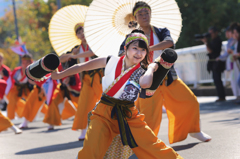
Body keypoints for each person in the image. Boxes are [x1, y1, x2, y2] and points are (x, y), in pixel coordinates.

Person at [51, 30, 182, 159]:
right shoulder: (110, 61)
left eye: (143, 50)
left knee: (151, 145)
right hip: (103, 112)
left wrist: (151, 68)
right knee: (92, 149)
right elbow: (82, 67)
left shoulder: (142, 70)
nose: (139, 53)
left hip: (129, 114)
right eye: (135, 48)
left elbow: (146, 84)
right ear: (125, 48)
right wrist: (59, 75)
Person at [118, 1, 211, 146]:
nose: (144, 16)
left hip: (166, 74)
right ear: (135, 18)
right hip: (146, 79)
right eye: (140, 14)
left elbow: (169, 43)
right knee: (149, 115)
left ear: (150, 14)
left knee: (190, 101)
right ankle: (145, 143)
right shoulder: (131, 37)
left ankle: (194, 129)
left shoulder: (161, 31)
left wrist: (148, 47)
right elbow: (121, 53)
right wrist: (135, 50)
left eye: (146, 13)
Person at [65, 23, 103, 140]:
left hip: (99, 76)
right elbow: (65, 60)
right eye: (79, 32)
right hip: (86, 78)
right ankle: (83, 130)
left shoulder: (95, 43)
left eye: (83, 31)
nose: (82, 34)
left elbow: (91, 53)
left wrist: (75, 56)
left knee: (105, 102)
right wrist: (70, 55)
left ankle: (111, 128)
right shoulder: (77, 49)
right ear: (77, 35)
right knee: (84, 104)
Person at [43, 63, 81, 130]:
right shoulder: (58, 63)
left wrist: (69, 78)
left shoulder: (72, 58)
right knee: (54, 100)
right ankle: (52, 122)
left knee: (81, 104)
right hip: (62, 87)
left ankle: (82, 122)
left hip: (73, 86)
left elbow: (77, 70)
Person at [202, 26, 226, 102]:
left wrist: (206, 42)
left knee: (217, 79)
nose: (210, 34)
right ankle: (221, 96)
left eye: (211, 33)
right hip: (213, 62)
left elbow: (211, 51)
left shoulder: (217, 40)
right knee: (216, 80)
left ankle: (221, 96)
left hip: (217, 63)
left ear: (216, 32)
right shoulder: (212, 40)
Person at [6, 54, 33, 120]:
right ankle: (10, 120)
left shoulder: (32, 71)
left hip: (26, 88)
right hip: (16, 88)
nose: (25, 64)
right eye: (24, 62)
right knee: (11, 103)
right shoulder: (17, 70)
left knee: (32, 100)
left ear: (30, 62)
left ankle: (45, 113)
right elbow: (10, 80)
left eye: (27, 62)